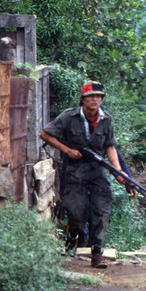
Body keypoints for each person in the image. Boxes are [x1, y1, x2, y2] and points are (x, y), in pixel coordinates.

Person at [40, 81, 136, 269]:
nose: (95, 99)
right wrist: (67, 150)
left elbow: (110, 146)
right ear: (83, 99)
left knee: (102, 211)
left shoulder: (106, 119)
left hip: (97, 171)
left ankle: (97, 252)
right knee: (76, 214)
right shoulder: (69, 117)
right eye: (91, 96)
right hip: (75, 172)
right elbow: (45, 134)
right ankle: (74, 234)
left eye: (98, 96)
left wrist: (118, 171)